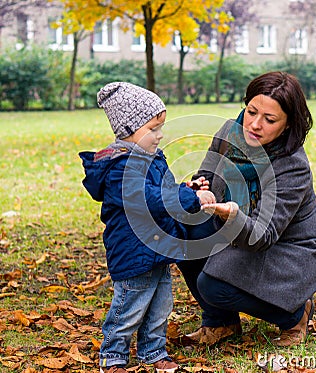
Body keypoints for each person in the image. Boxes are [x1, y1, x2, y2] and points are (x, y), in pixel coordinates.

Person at [178, 71, 316, 347]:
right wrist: (199, 189)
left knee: (213, 285)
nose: (254, 124)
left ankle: (295, 315)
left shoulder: (291, 164)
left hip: (290, 249)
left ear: (287, 125)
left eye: (269, 119)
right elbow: (208, 176)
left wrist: (233, 215)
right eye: (251, 111)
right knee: (184, 230)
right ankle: (220, 322)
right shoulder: (229, 132)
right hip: (240, 231)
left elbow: (263, 235)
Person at [79, 82, 215, 373]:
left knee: (160, 306)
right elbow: (151, 199)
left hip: (158, 249)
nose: (160, 135)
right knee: (129, 307)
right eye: (153, 129)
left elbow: (164, 190)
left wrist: (186, 188)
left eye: (161, 127)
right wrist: (192, 198)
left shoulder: (152, 159)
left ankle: (153, 352)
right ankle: (112, 357)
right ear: (129, 128)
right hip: (133, 252)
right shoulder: (120, 167)